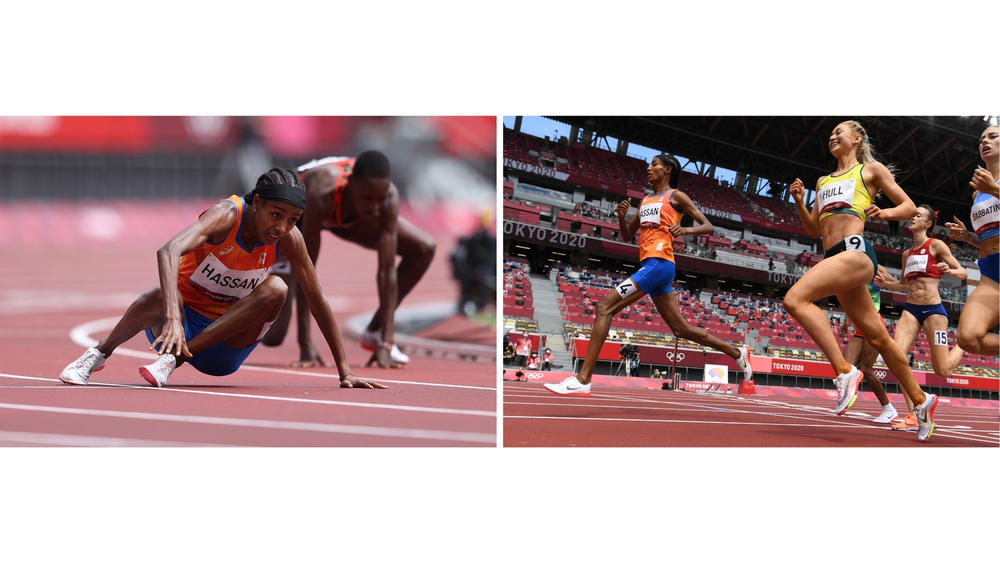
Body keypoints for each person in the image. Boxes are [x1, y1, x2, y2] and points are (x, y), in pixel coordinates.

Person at [59, 168, 385, 390]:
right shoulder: (226, 216)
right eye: (276, 215)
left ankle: (171, 361)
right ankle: (97, 355)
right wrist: (173, 319)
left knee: (277, 288)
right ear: (256, 203)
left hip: (224, 346)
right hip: (178, 327)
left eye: (292, 220)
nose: (281, 228)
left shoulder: (289, 239)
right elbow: (168, 250)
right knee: (158, 295)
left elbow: (318, 299)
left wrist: (346, 371)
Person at [544, 154, 751, 397]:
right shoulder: (644, 201)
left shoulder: (676, 196)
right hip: (652, 266)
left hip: (660, 264)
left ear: (668, 170)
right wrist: (621, 217)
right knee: (681, 329)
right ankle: (737, 353)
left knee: (604, 308)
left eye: (654, 164)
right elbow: (626, 235)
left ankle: (583, 379)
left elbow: (707, 226)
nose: (649, 168)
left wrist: (685, 229)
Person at [783, 120, 936, 441]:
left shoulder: (870, 171)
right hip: (835, 260)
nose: (833, 136)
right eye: (830, 134)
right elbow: (813, 230)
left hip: (856, 253)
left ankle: (843, 371)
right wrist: (799, 200)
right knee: (879, 338)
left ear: (857, 137)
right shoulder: (823, 180)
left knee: (795, 299)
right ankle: (922, 402)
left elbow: (907, 206)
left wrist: (884, 214)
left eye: (839, 132)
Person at [261, 151, 436, 368]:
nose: (374, 206)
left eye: (379, 199)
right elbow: (307, 269)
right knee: (274, 335)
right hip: (298, 217)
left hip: (344, 215)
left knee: (424, 248)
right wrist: (305, 343)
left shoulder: (388, 198)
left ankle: (375, 332)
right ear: (351, 184)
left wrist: (387, 342)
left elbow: (386, 271)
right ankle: (237, 299)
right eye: (367, 198)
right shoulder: (322, 191)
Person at [873, 204, 967, 430]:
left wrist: (949, 270)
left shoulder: (936, 245)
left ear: (927, 224)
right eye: (912, 215)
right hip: (911, 310)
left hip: (934, 311)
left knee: (942, 371)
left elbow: (962, 273)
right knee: (897, 360)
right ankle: (916, 413)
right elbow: (905, 285)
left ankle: (964, 344)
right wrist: (887, 284)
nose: (912, 218)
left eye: (918, 216)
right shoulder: (907, 254)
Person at [944, 124, 999, 359]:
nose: (985, 141)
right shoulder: (978, 193)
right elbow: (989, 238)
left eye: (993, 136)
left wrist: (995, 190)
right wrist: (967, 237)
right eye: (981, 139)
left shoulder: (988, 188)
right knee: (968, 337)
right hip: (992, 273)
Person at [839, 282, 899, 424]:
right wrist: (847, 320)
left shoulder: (875, 270)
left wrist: (887, 282)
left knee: (866, 370)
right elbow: (850, 299)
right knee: (844, 366)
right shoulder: (851, 274)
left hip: (874, 323)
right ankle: (847, 395)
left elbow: (898, 285)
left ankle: (889, 409)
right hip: (860, 326)